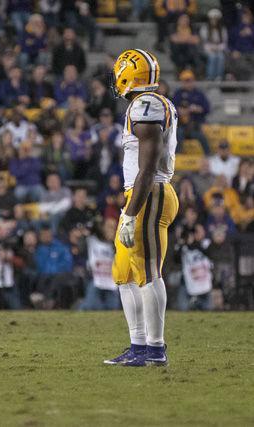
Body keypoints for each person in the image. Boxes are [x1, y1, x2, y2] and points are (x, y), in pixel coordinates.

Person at [107, 49, 180, 367]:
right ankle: (138, 346)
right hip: (139, 194)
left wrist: (132, 213)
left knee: (149, 272)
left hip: (150, 193)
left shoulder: (145, 105)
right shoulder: (143, 105)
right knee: (124, 273)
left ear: (127, 75)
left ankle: (155, 348)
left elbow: (148, 167)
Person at [79, 218, 120, 310]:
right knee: (92, 306)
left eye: (113, 228)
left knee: (113, 308)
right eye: (108, 227)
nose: (111, 230)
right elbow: (81, 247)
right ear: (103, 228)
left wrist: (113, 242)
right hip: (94, 279)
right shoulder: (91, 240)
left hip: (111, 281)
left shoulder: (118, 244)